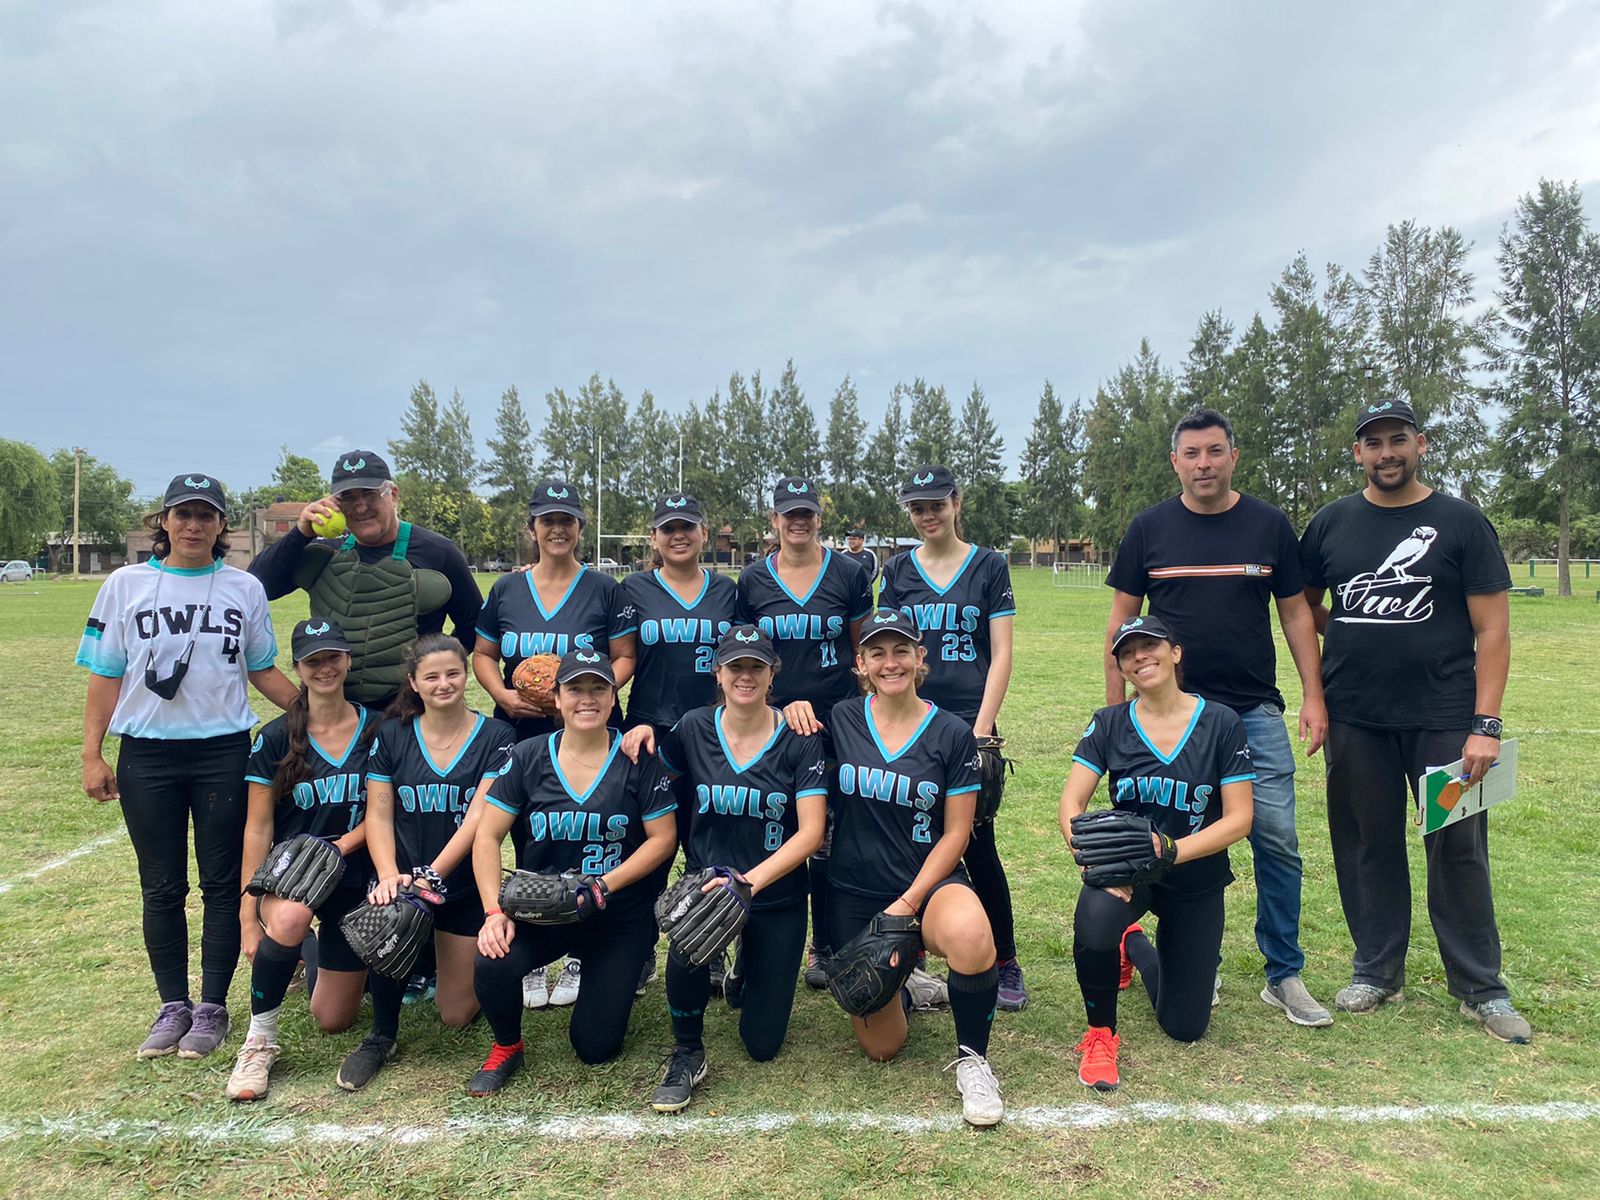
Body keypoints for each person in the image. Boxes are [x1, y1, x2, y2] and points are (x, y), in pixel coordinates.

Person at [1299, 398, 1528, 1044]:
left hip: (1446, 719)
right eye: (1373, 443)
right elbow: (1306, 606)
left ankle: (1480, 987)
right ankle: (1377, 969)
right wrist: (1351, 635)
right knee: (1367, 842)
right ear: (1357, 454)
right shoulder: (1330, 524)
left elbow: (1493, 628)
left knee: (1458, 847)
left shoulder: (1459, 523)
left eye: (1398, 439)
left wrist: (1485, 723)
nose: (1387, 452)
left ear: (1420, 444)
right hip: (1357, 717)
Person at [1103, 408, 1332, 1027]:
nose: (1203, 464)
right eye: (1191, 454)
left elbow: (1295, 617)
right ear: (1175, 462)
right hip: (1167, 716)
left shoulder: (1269, 526)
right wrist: (1116, 714)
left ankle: (1283, 973)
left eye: (1214, 452)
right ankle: (1173, 958)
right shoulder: (1148, 529)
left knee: (1275, 838)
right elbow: (1121, 627)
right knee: (1161, 838)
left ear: (1233, 456)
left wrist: (1314, 696)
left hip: (1252, 710)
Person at [77, 473, 299, 1060]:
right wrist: (92, 752)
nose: (194, 525)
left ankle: (213, 1006)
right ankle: (172, 1002)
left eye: (206, 516)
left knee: (224, 884)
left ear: (223, 525)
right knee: (161, 885)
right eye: (183, 514)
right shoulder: (125, 585)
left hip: (223, 751)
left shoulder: (243, 588)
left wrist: (318, 712)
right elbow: (106, 673)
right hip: (147, 753)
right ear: (165, 521)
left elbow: (260, 669)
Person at [619, 626, 827, 1112]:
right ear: (718, 672)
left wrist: (748, 883)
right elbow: (651, 780)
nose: (746, 676)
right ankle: (688, 1050)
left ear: (773, 673)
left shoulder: (799, 737)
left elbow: (811, 832)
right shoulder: (694, 727)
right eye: (736, 667)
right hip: (708, 889)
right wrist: (645, 735)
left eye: (757, 666)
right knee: (689, 938)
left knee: (762, 1045)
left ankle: (744, 974)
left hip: (775, 897)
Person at [468, 649, 679, 1095]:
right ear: (557, 699)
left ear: (613, 694)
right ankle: (507, 1045)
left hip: (616, 915)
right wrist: (492, 912)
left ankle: (611, 981)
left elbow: (664, 839)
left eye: (598, 688)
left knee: (594, 1046)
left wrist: (603, 885)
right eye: (575, 689)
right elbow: (486, 837)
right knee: (493, 959)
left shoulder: (636, 755)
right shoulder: (528, 756)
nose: (588, 699)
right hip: (543, 908)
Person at [824, 608, 1004, 1127]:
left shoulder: (950, 732)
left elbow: (957, 832)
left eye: (901, 650)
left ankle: (973, 1060)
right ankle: (907, 980)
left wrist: (908, 904)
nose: (890, 662)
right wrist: (791, 707)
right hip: (855, 890)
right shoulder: (841, 718)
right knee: (883, 1047)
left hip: (927, 886)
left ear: (920, 658)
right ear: (860, 663)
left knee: (971, 936)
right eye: (877, 652)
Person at [1060, 616, 1255, 1091]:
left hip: (1195, 877)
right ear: (1122, 668)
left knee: (1185, 1027)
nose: (1140, 657)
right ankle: (1101, 1034)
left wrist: (1170, 850)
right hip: (1132, 873)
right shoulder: (1109, 723)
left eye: (1150, 646)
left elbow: (1239, 819)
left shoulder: (1220, 722)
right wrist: (1095, 861)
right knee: (1095, 914)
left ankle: (1135, 945)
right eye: (1128, 653)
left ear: (1176, 653)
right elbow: (1071, 804)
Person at [473, 479, 629, 1009]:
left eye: (567, 520)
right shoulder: (507, 589)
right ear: (533, 527)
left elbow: (624, 658)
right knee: (524, 831)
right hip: (523, 726)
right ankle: (532, 942)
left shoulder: (605, 588)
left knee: (597, 826)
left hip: (590, 724)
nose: (558, 529)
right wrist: (504, 696)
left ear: (580, 528)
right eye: (548, 520)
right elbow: (484, 655)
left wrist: (584, 701)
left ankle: (586, 946)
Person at [878, 464, 1027, 1011]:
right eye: (917, 507)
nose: (928, 515)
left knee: (975, 842)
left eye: (937, 504)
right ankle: (910, 957)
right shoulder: (897, 569)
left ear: (956, 503)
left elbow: (1002, 651)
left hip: (967, 719)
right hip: (911, 718)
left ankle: (1005, 960)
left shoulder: (988, 564)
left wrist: (982, 728)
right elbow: (886, 650)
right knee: (910, 833)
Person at [342, 634, 516, 1090]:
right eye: (432, 676)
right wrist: (388, 877)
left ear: (466, 674)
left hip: (459, 884)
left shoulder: (496, 735)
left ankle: (433, 963)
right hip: (403, 880)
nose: (444, 684)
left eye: (453, 673)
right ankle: (382, 1035)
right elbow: (378, 812)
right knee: (392, 914)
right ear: (413, 683)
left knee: (456, 1015)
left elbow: (480, 817)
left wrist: (433, 875)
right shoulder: (393, 733)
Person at [228, 619, 375, 1101]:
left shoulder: (379, 728)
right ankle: (260, 1041)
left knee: (333, 1020)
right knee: (290, 915)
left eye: (333, 657)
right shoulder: (274, 737)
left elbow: (385, 814)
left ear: (348, 660)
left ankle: (302, 950)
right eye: (313, 660)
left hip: (354, 879)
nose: (325, 668)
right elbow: (258, 827)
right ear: (298, 668)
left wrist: (341, 847)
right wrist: (248, 915)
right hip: (293, 875)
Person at [737, 476, 872, 989]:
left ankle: (828, 945)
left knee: (835, 840)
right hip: (771, 727)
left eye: (807, 513)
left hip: (836, 726)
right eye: (788, 513)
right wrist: (774, 704)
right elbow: (742, 660)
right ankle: (759, 939)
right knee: (776, 831)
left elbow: (863, 653)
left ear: (819, 519)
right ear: (774, 520)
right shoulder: (752, 580)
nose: (798, 521)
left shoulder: (850, 573)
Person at [249, 450, 482, 709]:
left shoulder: (437, 551)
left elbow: (474, 626)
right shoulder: (324, 552)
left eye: (370, 494)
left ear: (393, 495)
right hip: (337, 708)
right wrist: (301, 533)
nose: (360, 507)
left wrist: (433, 671)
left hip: (410, 709)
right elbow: (257, 587)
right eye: (348, 498)